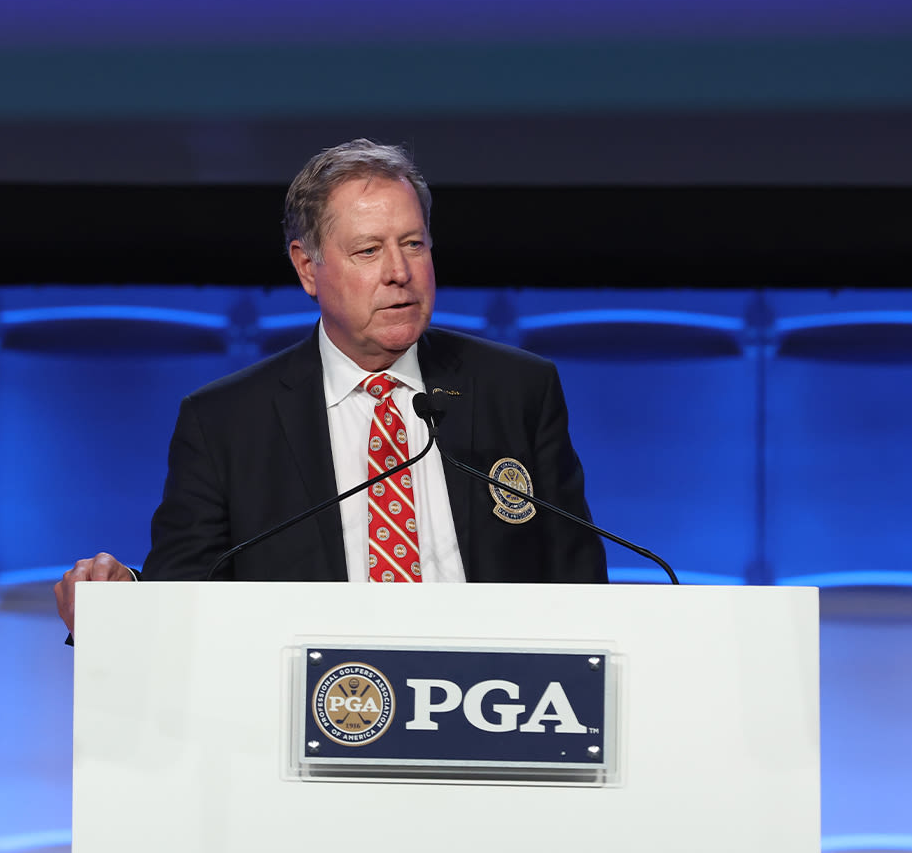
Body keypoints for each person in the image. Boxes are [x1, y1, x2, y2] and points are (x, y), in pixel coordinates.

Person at [54, 140, 606, 633]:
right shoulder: (225, 423)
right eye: (368, 251)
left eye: (413, 244)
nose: (399, 272)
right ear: (307, 268)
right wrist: (121, 600)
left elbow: (580, 589)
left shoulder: (517, 390)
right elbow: (187, 597)